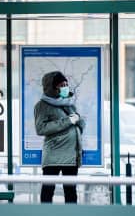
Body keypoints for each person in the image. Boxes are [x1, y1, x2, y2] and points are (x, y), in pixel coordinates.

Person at [34, 71, 85, 204]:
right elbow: (41, 129)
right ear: (52, 87)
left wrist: (79, 119)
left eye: (66, 84)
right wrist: (68, 121)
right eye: (61, 85)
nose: (65, 87)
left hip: (71, 156)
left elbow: (79, 125)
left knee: (71, 192)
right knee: (48, 191)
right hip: (53, 156)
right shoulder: (42, 106)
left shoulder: (68, 103)